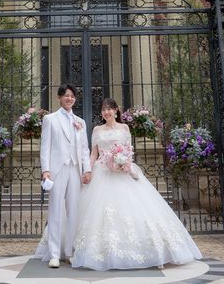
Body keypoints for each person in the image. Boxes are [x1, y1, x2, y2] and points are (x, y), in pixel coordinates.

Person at [71, 98, 202, 271]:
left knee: (137, 209)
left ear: (116, 110)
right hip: (102, 172)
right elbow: (94, 154)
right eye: (103, 110)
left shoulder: (124, 128)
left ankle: (153, 251)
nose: (106, 112)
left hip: (123, 173)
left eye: (109, 109)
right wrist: (88, 170)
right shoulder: (97, 130)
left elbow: (128, 150)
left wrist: (123, 162)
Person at [34, 84, 92, 268]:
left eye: (72, 96)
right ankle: (54, 253)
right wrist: (45, 170)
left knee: (74, 211)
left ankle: (69, 252)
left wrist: (87, 170)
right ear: (59, 98)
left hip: (75, 169)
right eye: (66, 95)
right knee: (56, 210)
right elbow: (45, 147)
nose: (69, 98)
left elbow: (84, 149)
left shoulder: (80, 122)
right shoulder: (50, 119)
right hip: (57, 169)